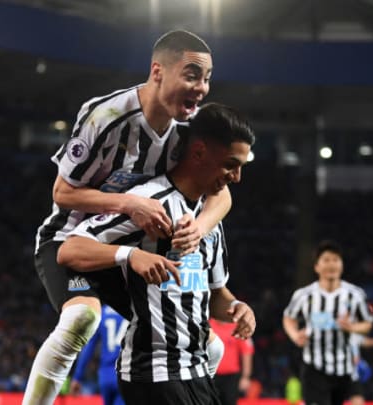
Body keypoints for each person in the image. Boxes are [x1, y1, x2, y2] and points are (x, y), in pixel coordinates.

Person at [24, 29, 231, 405]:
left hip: (133, 249)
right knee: (80, 320)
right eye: (192, 75)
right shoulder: (106, 116)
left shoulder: (191, 129)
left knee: (208, 347)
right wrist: (128, 204)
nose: (201, 87)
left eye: (207, 78)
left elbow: (222, 192)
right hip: (72, 240)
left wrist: (199, 229)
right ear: (158, 72)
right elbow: (62, 193)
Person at [57, 102, 257, 405]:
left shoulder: (209, 219)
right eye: (231, 164)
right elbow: (69, 249)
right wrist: (130, 256)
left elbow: (214, 294)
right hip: (154, 371)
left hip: (196, 369)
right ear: (199, 152)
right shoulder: (149, 202)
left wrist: (237, 307)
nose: (237, 177)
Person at [282, 240, 373, 405]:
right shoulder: (304, 295)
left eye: (335, 260)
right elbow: (289, 317)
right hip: (315, 367)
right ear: (317, 266)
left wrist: (352, 327)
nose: (331, 264)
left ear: (342, 265)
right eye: (326, 260)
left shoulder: (355, 295)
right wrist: (295, 335)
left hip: (345, 368)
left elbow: (367, 324)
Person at [69, 304, 129, 405]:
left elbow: (88, 348)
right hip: (126, 375)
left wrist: (77, 377)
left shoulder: (101, 313)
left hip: (105, 376)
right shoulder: (132, 311)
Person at [209, 318, 255, 405]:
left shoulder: (239, 328)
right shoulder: (207, 326)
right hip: (211, 376)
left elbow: (247, 352)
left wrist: (246, 377)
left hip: (231, 378)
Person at [349, 334, 373, 405]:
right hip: (337, 374)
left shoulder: (352, 334)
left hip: (353, 375)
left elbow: (364, 341)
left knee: (358, 398)